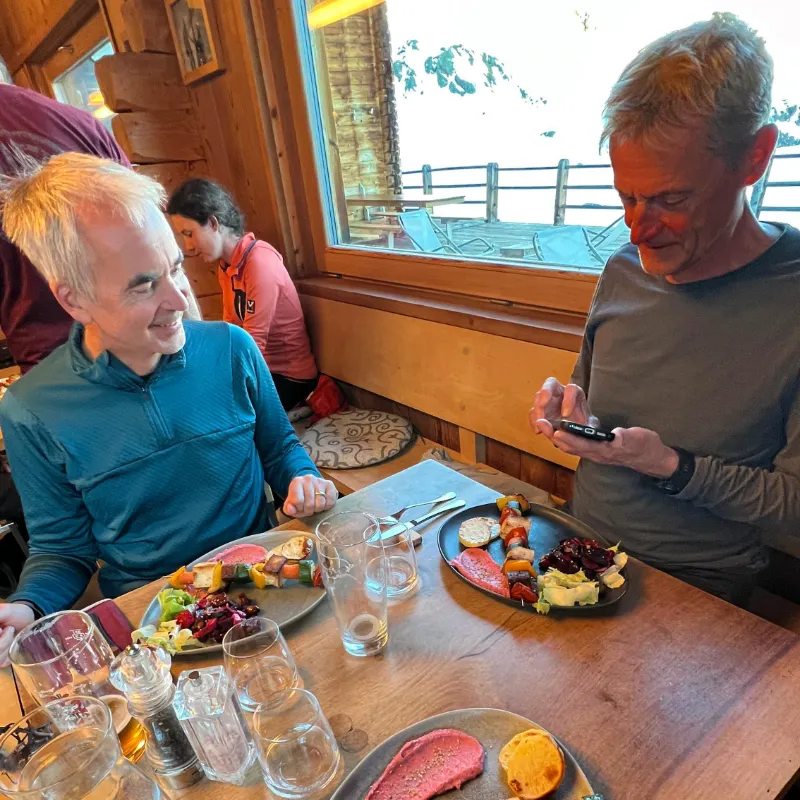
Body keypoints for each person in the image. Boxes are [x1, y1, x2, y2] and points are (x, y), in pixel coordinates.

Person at [0, 153, 337, 665]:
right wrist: (26, 607)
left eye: (175, 268)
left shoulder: (232, 348)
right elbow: (62, 549)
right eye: (143, 285)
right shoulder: (31, 410)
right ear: (74, 300)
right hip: (156, 625)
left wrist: (303, 478)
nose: (181, 301)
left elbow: (280, 449)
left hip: (270, 588)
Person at [530, 14, 800, 606]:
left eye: (670, 198)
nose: (638, 229)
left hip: (697, 587)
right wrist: (571, 411)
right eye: (626, 196)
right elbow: (590, 397)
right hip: (578, 550)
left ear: (755, 157)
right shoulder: (622, 269)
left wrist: (672, 467)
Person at [167, 178, 318, 411]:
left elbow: (253, 344)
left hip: (289, 377)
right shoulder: (227, 266)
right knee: (191, 393)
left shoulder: (259, 261)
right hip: (262, 369)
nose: (188, 246)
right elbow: (231, 331)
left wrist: (221, 383)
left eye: (189, 233)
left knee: (212, 409)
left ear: (213, 223)